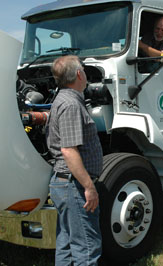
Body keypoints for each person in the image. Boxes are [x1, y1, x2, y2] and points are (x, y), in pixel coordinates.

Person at [46, 55, 103, 266]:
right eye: (84, 70)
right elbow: (69, 150)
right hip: (74, 185)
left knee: (67, 244)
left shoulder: (63, 99)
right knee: (87, 247)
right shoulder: (71, 104)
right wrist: (88, 187)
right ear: (79, 74)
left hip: (65, 183)